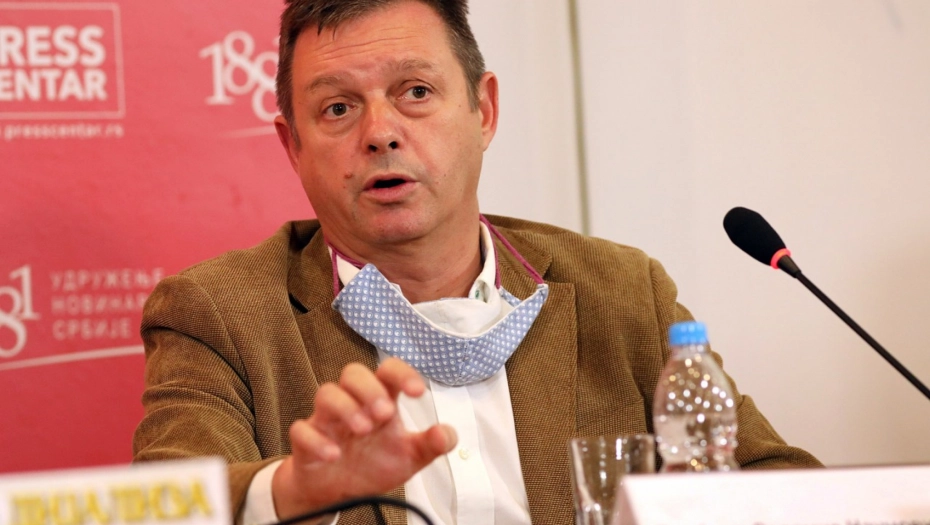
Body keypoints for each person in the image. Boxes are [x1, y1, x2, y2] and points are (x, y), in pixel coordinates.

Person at [132, 0, 821, 524]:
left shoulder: (621, 291)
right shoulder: (217, 314)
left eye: (416, 92)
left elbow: (778, 481)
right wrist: (291, 491)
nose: (380, 133)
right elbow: (164, 505)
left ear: (483, 110)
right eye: (338, 108)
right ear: (293, 146)